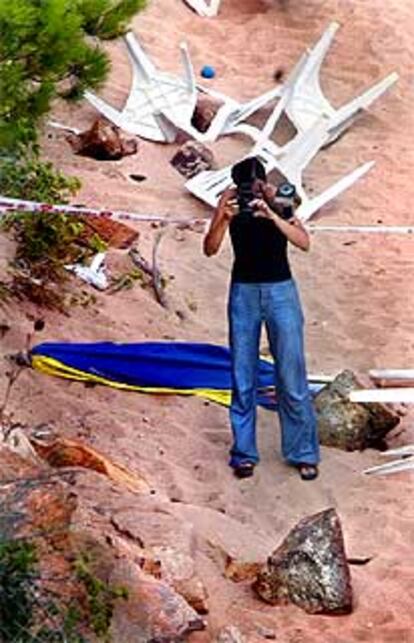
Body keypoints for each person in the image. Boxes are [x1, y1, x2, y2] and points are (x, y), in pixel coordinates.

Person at [203, 156, 319, 481]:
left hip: (281, 291)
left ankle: (303, 452)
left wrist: (272, 213)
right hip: (244, 292)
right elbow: (209, 248)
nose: (248, 193)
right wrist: (223, 220)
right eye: (244, 187)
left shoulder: (280, 199)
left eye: (253, 186)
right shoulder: (228, 201)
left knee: (291, 372)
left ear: (262, 182)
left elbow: (304, 241)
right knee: (242, 373)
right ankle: (243, 453)